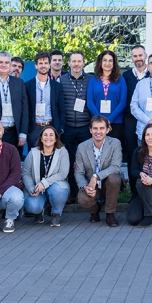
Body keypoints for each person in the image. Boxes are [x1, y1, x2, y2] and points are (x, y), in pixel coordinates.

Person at [75, 115, 124, 227]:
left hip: (108, 183)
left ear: (108, 129)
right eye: (95, 128)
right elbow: (79, 172)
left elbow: (116, 166)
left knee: (114, 178)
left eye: (102, 128)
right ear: (90, 130)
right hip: (92, 186)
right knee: (83, 198)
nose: (98, 132)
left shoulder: (115, 143)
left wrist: (96, 176)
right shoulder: (82, 147)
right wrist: (84, 186)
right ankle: (95, 211)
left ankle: (110, 214)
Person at [59, 51, 93, 196]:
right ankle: (72, 192)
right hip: (68, 128)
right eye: (74, 61)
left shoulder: (91, 80)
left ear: (83, 63)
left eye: (79, 61)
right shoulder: (62, 80)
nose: (76, 64)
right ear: (69, 63)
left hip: (85, 126)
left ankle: (88, 190)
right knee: (69, 160)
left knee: (87, 160)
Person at [22, 126, 70, 227]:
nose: (48, 138)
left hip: (55, 186)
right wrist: (31, 187)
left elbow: (63, 173)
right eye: (45, 135)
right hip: (38, 188)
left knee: (59, 190)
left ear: (56, 138)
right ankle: (39, 211)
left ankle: (56, 214)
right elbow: (26, 173)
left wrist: (45, 183)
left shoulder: (62, 152)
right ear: (41, 138)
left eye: (51, 135)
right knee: (32, 207)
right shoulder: (33, 153)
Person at [0, 51, 28, 149]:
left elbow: (25, 109)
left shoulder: (19, 83)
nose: (4, 65)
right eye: (0, 62)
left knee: (13, 163)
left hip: (14, 133)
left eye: (7, 62)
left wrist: (23, 133)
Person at [88, 50, 128, 143]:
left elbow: (122, 102)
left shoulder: (121, 80)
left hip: (115, 122)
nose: (107, 63)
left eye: (110, 61)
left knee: (114, 149)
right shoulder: (93, 80)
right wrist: (101, 120)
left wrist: (109, 120)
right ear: (100, 62)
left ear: (114, 63)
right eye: (104, 60)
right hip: (97, 123)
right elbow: (90, 102)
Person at [26, 51, 65, 146]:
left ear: (49, 65)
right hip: (34, 128)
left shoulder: (57, 86)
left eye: (46, 63)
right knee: (35, 158)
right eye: (40, 63)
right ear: (36, 66)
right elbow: (25, 110)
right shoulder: (27, 86)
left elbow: (62, 109)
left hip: (51, 127)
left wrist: (60, 128)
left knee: (51, 158)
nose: (43, 66)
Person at [122, 45, 149, 172]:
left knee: (148, 152)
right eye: (135, 56)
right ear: (132, 58)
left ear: (145, 56)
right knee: (132, 153)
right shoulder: (126, 76)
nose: (138, 58)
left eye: (140, 55)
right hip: (130, 120)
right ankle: (134, 189)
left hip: (148, 119)